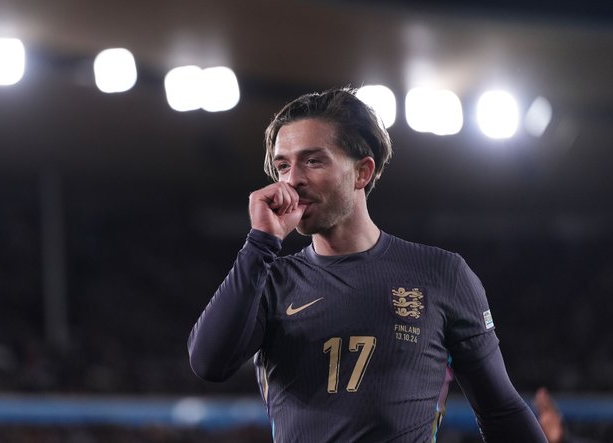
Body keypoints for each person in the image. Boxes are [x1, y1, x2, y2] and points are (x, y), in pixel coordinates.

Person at [188, 88, 547, 442]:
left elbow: (500, 409)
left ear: (362, 172)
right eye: (283, 165)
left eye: (313, 160)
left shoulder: (441, 274)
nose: (292, 179)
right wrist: (261, 243)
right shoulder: (269, 280)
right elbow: (209, 364)